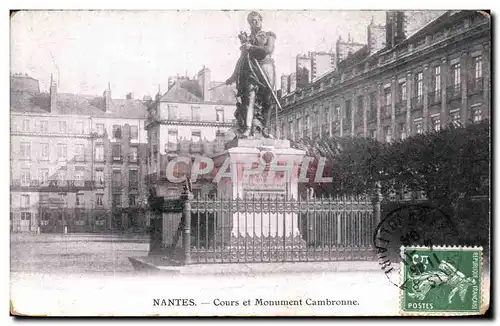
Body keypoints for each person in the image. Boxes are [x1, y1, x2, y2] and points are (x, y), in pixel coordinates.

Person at [226, 11, 276, 139]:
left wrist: (251, 48)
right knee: (249, 97)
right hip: (251, 69)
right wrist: (232, 76)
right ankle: (248, 128)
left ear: (261, 20)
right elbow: (242, 60)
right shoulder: (247, 40)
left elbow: (268, 50)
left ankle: (265, 128)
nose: (254, 23)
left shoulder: (269, 35)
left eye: (256, 20)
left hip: (265, 67)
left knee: (267, 99)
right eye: (251, 21)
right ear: (249, 24)